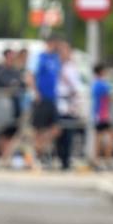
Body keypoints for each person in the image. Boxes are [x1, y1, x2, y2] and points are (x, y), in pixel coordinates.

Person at [30, 37, 63, 165]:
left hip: (52, 98)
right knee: (38, 129)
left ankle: (39, 148)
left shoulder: (55, 58)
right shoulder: (39, 58)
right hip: (42, 98)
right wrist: (36, 92)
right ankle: (38, 155)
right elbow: (30, 75)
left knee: (56, 129)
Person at [55, 40, 84, 171]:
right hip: (57, 102)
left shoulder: (72, 67)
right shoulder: (55, 65)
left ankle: (66, 160)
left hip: (69, 102)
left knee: (69, 132)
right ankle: (60, 158)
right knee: (58, 132)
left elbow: (76, 86)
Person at [92, 62, 113, 169]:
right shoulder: (103, 84)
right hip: (103, 114)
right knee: (108, 137)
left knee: (99, 138)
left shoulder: (95, 84)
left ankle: (98, 161)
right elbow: (108, 97)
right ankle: (107, 160)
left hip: (98, 114)